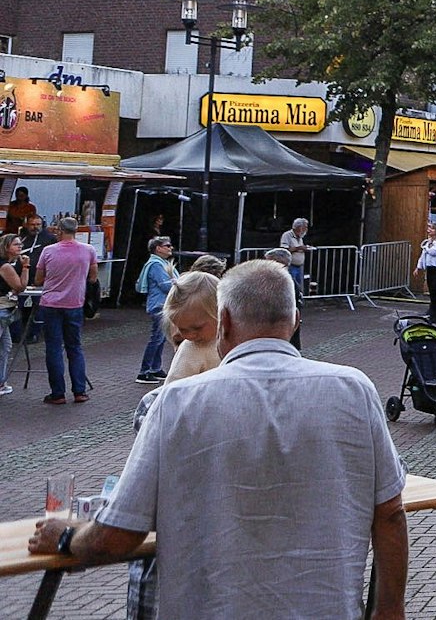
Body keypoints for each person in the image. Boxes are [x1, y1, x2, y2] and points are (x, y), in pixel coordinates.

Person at [30, 260, 408, 620]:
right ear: (294, 320)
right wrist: (389, 609)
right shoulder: (353, 389)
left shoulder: (175, 402)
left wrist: (66, 538)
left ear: (223, 321)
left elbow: (119, 535)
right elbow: (390, 513)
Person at [36, 216, 96, 404]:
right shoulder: (88, 250)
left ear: (59, 231)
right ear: (76, 230)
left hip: (51, 304)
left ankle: (58, 393)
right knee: (75, 348)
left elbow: (38, 280)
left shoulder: (48, 251)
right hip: (74, 304)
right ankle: (79, 391)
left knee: (53, 348)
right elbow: (93, 278)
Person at [164, 271, 223, 383]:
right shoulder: (190, 349)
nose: (189, 336)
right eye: (182, 329)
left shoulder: (236, 339)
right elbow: (173, 388)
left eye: (197, 328)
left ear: (221, 314)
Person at [134, 236, 178, 383]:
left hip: (164, 305)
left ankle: (156, 368)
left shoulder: (161, 263)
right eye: (167, 246)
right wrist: (179, 284)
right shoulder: (156, 265)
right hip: (159, 305)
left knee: (161, 338)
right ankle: (144, 371)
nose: (170, 248)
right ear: (158, 248)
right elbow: (165, 285)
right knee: (156, 338)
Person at [0, 233, 24, 395]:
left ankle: (1, 381)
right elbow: (20, 286)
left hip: (5, 310)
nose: (20, 247)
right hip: (2, 309)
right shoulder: (6, 267)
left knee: (6, 345)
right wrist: (26, 267)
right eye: (16, 245)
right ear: (7, 248)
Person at [415, 225, 436, 323]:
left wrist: (426, 247)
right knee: (432, 292)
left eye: (432, 229)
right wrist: (418, 267)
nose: (429, 230)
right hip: (430, 269)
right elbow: (423, 255)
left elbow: (434, 251)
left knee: (435, 291)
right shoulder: (428, 242)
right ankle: (431, 312)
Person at [279, 218, 310, 292]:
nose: (306, 229)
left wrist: (304, 248)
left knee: (299, 287)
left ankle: (298, 301)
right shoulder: (287, 235)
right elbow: (284, 250)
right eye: (305, 227)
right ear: (299, 227)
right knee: (291, 287)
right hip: (291, 266)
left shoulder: (300, 237)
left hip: (300, 266)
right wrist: (299, 248)